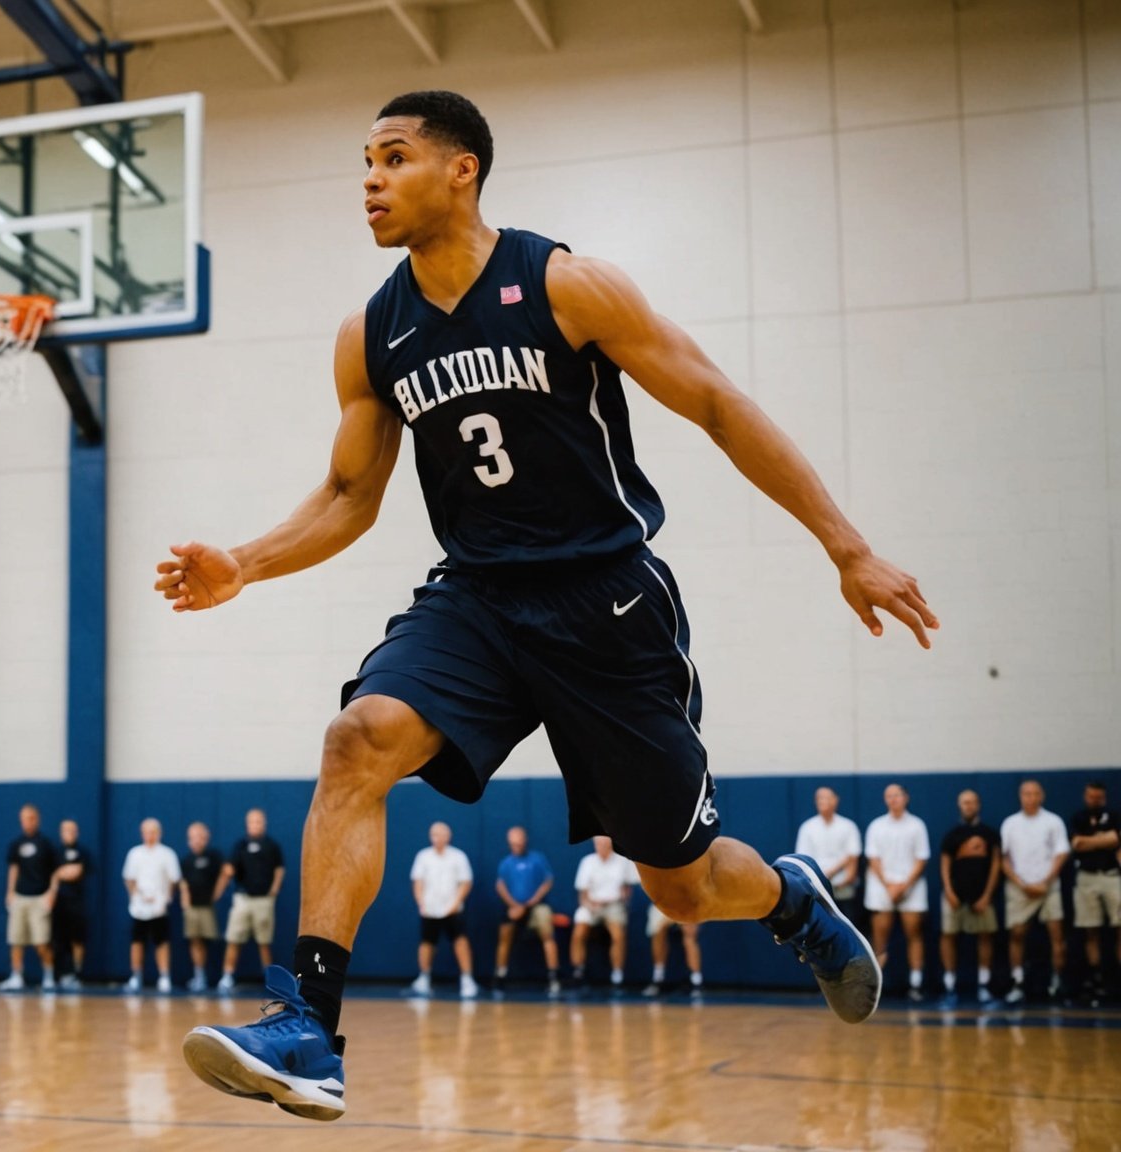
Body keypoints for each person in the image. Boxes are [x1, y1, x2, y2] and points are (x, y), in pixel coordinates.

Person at [161, 91, 929, 1120]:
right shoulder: (372, 333)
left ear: (462, 169)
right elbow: (349, 497)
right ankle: (307, 1027)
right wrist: (245, 563)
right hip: (478, 598)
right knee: (359, 738)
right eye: (365, 162)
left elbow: (715, 402)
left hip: (605, 602)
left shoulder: (567, 283)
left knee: (683, 889)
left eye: (394, 158)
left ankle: (789, 898)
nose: (371, 180)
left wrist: (849, 547)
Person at [1000, 780, 1070, 1004]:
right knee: (1017, 934)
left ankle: (1057, 984)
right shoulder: (1010, 823)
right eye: (1026, 793)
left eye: (1035, 793)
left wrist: (1044, 882)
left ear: (1042, 796)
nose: (1031, 798)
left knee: (1056, 935)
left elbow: (1061, 853)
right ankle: (1018, 982)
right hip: (1019, 889)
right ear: (1020, 796)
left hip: (1048, 888)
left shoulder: (1053, 821)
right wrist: (1022, 884)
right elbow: (1004, 858)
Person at [864, 783, 931, 1002]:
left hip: (911, 888)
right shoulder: (876, 826)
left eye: (897, 795)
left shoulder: (917, 825)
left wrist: (904, 885)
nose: (893, 799)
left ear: (905, 797)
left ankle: (916, 984)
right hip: (881, 888)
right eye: (889, 796)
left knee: (914, 934)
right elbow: (873, 858)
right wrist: (889, 885)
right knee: (879, 937)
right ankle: (875, 986)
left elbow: (922, 858)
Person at [937, 789, 1000, 1005]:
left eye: (972, 802)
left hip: (982, 896)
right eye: (965, 802)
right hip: (955, 895)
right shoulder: (952, 835)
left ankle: (984, 984)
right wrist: (949, 891)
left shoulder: (989, 834)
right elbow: (944, 864)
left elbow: (996, 865)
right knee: (948, 936)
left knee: (985, 937)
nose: (968, 806)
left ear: (978, 805)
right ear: (959, 805)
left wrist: (987, 895)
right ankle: (950, 985)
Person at [215, 809, 287, 995]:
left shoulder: (272, 846)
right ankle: (227, 977)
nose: (255, 824)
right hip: (242, 900)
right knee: (233, 939)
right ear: (247, 824)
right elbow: (229, 868)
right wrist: (220, 887)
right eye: (252, 821)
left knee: (264, 940)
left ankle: (270, 980)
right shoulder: (240, 845)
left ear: (264, 823)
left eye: (258, 821)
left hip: (263, 901)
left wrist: (274, 889)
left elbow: (279, 869)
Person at [407, 822, 476, 999]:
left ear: (448, 836)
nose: (437, 838)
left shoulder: (458, 856)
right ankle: (424, 978)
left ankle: (467, 979)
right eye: (434, 834)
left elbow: (466, 882)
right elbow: (418, 881)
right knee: (427, 942)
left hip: (453, 909)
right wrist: (421, 903)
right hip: (429, 909)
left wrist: (456, 903)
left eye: (441, 834)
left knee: (460, 940)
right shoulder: (423, 856)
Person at [492, 826, 560, 995]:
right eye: (513, 844)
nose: (517, 846)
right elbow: (500, 886)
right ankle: (500, 977)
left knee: (547, 932)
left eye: (519, 843)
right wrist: (514, 905)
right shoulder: (506, 863)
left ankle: (553, 979)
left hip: (536, 906)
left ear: (525, 841)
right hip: (514, 906)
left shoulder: (538, 859)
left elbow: (548, 881)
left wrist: (531, 903)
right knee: (504, 934)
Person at [1068, 780, 1119, 1003]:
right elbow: (1076, 844)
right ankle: (1096, 979)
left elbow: (1116, 839)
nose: (1095, 800)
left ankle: (1117, 980)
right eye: (1091, 796)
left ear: (1104, 797)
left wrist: (1090, 841)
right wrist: (1104, 840)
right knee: (1091, 929)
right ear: (1085, 796)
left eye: (1098, 797)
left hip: (1112, 876)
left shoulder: (1114, 816)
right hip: (1086, 878)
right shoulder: (1078, 818)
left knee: (1119, 927)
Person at [0, 804, 59, 993]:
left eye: (31, 818)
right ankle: (16, 976)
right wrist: (10, 892)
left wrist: (51, 893)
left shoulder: (46, 844)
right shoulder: (16, 844)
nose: (28, 822)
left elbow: (56, 871)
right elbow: (13, 868)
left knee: (41, 942)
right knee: (16, 940)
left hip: (39, 898)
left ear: (37, 819)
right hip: (20, 898)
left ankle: (48, 977)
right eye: (24, 818)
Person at [123, 818, 181, 993]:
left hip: (159, 907)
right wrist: (135, 897)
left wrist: (165, 898)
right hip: (139, 907)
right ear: (142, 833)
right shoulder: (134, 854)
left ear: (159, 833)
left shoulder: (167, 854)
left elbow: (174, 880)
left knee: (161, 941)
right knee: (137, 941)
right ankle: (136, 976)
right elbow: (129, 878)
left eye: (153, 832)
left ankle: (164, 977)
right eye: (146, 832)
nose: (150, 835)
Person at [569, 837, 635, 988]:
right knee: (579, 932)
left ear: (611, 845)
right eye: (599, 844)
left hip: (614, 905)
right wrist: (590, 905)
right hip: (591, 905)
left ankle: (617, 975)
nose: (602, 847)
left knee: (618, 935)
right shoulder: (587, 862)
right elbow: (582, 894)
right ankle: (578, 971)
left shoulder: (623, 861)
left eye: (605, 844)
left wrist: (622, 900)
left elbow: (628, 888)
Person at [794, 788, 863, 920]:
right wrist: (821, 878)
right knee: (820, 925)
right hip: (816, 888)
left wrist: (838, 876)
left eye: (826, 797)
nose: (822, 801)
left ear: (835, 800)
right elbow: (803, 858)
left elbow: (853, 854)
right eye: (819, 798)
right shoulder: (807, 827)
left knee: (846, 923)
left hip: (843, 886)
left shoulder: (848, 826)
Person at [181, 822, 224, 992]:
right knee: (195, 940)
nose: (197, 841)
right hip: (192, 907)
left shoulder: (213, 857)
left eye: (200, 837)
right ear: (189, 840)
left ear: (206, 838)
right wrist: (185, 900)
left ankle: (220, 977)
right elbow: (183, 883)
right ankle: (199, 976)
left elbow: (226, 872)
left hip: (207, 907)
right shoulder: (186, 861)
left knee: (210, 940)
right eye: (193, 837)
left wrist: (217, 893)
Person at [52, 819, 91, 989]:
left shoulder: (82, 852)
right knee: (58, 940)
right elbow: (53, 875)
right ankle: (58, 975)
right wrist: (58, 874)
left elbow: (76, 872)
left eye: (72, 830)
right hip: (58, 903)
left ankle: (76, 973)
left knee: (77, 939)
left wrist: (61, 873)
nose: (69, 833)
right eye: (66, 830)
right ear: (61, 833)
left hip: (76, 902)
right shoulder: (55, 852)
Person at [643, 902, 702, 997]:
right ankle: (658, 979)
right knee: (658, 930)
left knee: (690, 935)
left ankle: (696, 982)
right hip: (663, 905)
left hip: (687, 904)